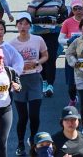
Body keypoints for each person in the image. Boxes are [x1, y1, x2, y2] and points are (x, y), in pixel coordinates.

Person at [12, 12, 50, 156]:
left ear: (30, 26)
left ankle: (33, 140)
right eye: (20, 24)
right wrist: (19, 67)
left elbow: (45, 55)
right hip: (19, 80)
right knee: (23, 117)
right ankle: (20, 143)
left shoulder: (37, 39)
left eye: (26, 24)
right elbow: (7, 63)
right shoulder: (11, 44)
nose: (23, 26)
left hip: (35, 79)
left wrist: (37, 62)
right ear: (16, 26)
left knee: (34, 115)